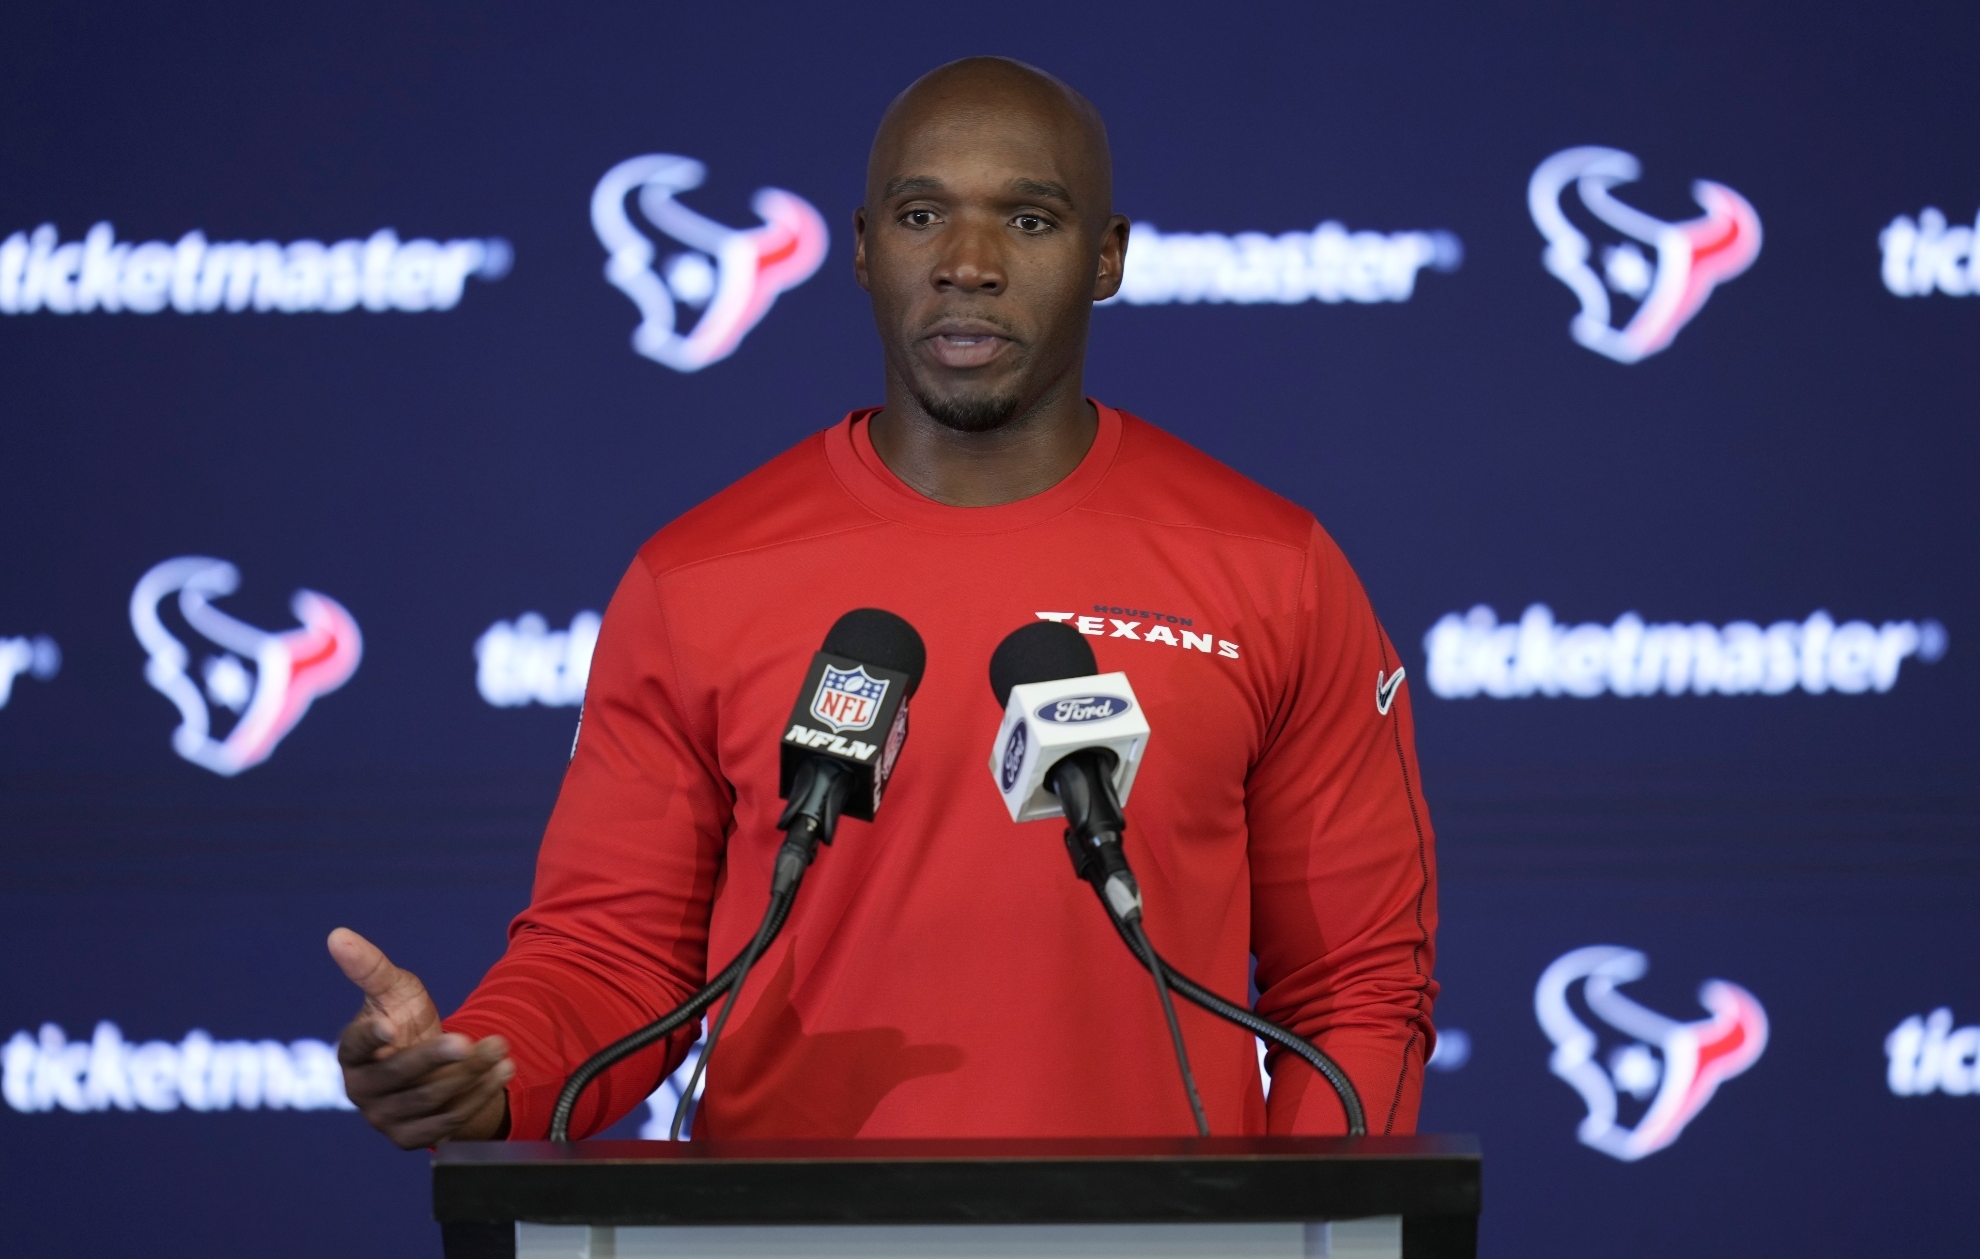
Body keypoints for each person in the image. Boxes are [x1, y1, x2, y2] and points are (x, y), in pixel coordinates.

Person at [327, 56, 1439, 1147]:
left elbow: (1358, 985)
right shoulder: (697, 578)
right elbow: (617, 956)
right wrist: (487, 1072)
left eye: (1031, 221)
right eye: (920, 216)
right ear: (861, 251)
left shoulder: (1272, 570)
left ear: (1108, 258)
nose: (968, 263)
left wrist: (1319, 1226)